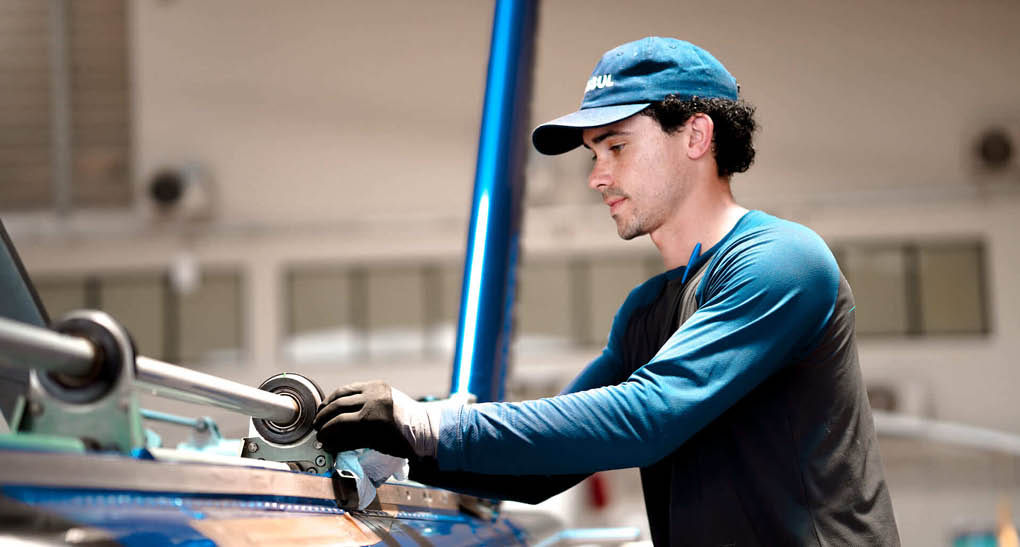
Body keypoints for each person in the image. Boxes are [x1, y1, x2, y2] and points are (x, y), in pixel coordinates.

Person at [313, 37, 900, 545]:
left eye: (616, 147)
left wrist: (435, 426)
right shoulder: (647, 311)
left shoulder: (781, 262)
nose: (597, 175)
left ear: (696, 135)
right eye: (595, 154)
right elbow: (543, 472)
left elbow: (648, 416)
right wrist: (408, 449)